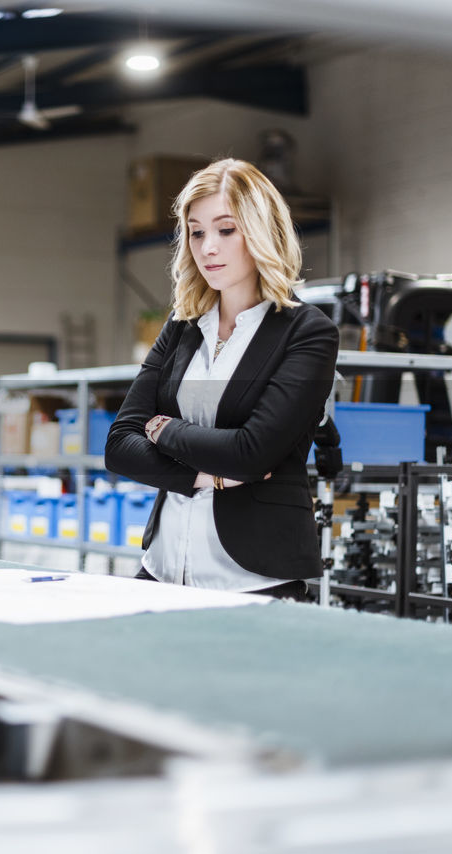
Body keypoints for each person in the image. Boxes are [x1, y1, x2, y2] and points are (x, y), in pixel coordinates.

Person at [104, 158, 338, 599]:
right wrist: (204, 478)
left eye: (225, 230)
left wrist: (163, 428)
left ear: (262, 231)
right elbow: (119, 447)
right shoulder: (182, 327)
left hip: (254, 578)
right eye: (196, 231)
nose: (207, 247)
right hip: (162, 568)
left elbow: (251, 454)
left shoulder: (307, 333)